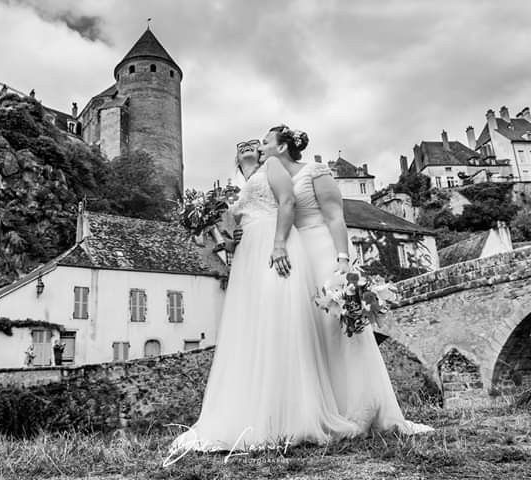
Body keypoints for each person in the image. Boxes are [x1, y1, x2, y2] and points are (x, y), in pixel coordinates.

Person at [166, 132, 359, 460]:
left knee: (279, 319)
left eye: (251, 143)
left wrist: (280, 243)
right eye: (238, 146)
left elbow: (288, 203)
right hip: (248, 254)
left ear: (262, 150)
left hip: (274, 242)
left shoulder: (272, 167)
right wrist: (225, 242)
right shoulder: (244, 185)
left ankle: (295, 414)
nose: (245, 146)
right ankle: (259, 411)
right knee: (253, 327)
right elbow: (243, 221)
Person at [257, 124, 433, 435]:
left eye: (266, 141)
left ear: (283, 147)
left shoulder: (315, 170)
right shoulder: (274, 178)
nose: (261, 146)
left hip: (322, 248)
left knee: (337, 328)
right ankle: (322, 409)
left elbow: (335, 215)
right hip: (298, 256)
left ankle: (357, 411)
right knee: (307, 329)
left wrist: (342, 261)